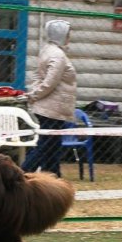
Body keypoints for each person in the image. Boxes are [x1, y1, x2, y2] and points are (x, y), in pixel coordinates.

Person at [21, 19, 77, 177]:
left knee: (52, 148)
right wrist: (34, 95)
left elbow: (37, 77)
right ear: (61, 34)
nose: (69, 37)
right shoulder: (58, 55)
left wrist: (33, 93)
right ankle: (21, 175)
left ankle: (54, 179)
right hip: (52, 109)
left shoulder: (47, 50)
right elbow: (49, 82)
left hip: (49, 108)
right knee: (44, 147)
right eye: (68, 33)